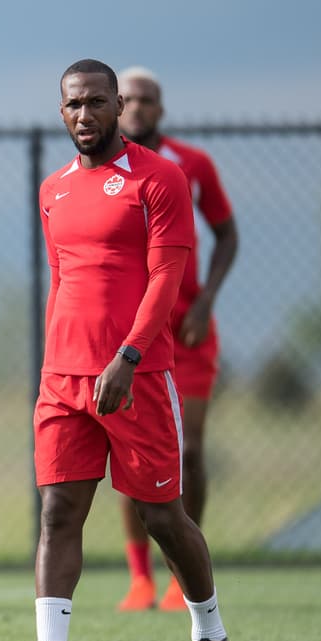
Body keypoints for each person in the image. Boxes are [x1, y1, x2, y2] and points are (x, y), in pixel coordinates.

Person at [1, 59, 230, 641]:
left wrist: (127, 357)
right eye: (73, 104)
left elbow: (167, 279)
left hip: (137, 376)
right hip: (63, 381)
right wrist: (53, 370)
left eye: (97, 103)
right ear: (61, 110)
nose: (84, 115)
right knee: (58, 513)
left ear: (118, 106)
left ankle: (210, 636)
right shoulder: (53, 189)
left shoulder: (160, 179)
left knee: (162, 517)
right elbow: (63, 281)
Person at [114, 67, 239, 612]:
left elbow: (227, 232)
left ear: (161, 110)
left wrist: (207, 298)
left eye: (149, 100)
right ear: (118, 107)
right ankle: (139, 577)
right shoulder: (99, 172)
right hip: (130, 333)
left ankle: (181, 575)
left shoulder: (190, 166)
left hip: (186, 330)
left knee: (188, 451)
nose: (138, 107)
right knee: (130, 454)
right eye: (131, 99)